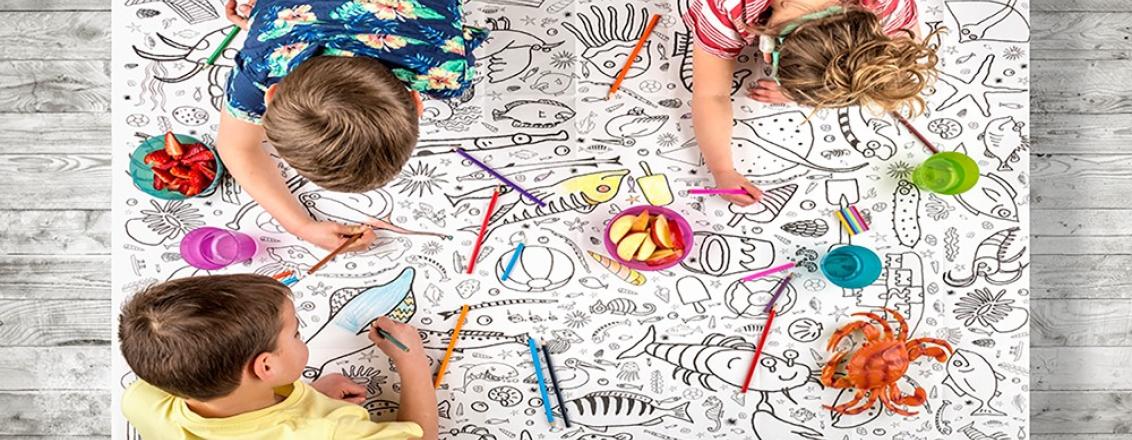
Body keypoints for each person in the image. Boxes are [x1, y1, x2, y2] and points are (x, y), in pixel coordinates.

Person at [217, 0, 486, 250]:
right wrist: (268, 23)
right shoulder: (265, 59)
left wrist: (301, 225)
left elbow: (236, 145)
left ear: (417, 103)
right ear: (271, 94)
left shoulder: (446, 68)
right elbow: (235, 146)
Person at [119, 274, 438, 439]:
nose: (300, 335)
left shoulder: (141, 400)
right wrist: (412, 365)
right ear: (266, 367)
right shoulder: (330, 431)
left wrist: (309, 396)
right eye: (296, 333)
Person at [685, 0, 939, 205]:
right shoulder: (721, 8)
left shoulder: (887, 4)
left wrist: (807, 88)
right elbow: (711, 95)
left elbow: (904, 62)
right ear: (767, 51)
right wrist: (722, 170)